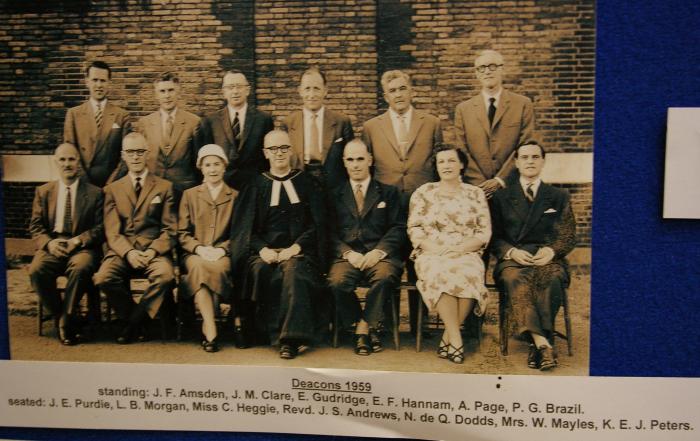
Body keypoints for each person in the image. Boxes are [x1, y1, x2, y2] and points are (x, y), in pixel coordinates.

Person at [230, 130, 326, 359]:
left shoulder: (306, 183)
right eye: (273, 149)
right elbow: (246, 230)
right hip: (263, 253)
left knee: (292, 271)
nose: (279, 153)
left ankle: (290, 340)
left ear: (291, 151)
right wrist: (263, 250)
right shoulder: (254, 185)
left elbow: (317, 225)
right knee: (261, 270)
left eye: (284, 148)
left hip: (299, 252)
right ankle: (267, 331)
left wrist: (295, 248)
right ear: (265, 153)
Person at [362, 69, 443, 334]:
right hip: (388, 209)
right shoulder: (372, 127)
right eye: (392, 91)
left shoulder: (431, 122)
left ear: (411, 91)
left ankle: (421, 326)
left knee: (419, 265)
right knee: (390, 263)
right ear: (385, 96)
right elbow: (369, 172)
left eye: (402, 88)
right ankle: (388, 324)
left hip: (423, 207)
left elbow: (438, 165)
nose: (398, 94)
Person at [491, 142, 576, 371]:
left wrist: (551, 251)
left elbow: (568, 235)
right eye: (525, 157)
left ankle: (536, 343)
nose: (530, 161)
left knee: (551, 278)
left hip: (547, 257)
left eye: (535, 157)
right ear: (516, 163)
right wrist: (511, 251)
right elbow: (494, 237)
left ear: (543, 161)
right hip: (513, 259)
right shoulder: (501, 198)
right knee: (514, 279)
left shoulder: (558, 196)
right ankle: (543, 342)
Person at [407, 144, 491, 364]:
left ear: (461, 164)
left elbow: (484, 231)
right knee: (440, 271)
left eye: (451, 160)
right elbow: (414, 228)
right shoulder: (424, 192)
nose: (446, 165)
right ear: (436, 166)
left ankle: (450, 337)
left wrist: (461, 248)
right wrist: (434, 248)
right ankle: (456, 337)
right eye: (441, 161)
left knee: (469, 273)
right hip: (431, 251)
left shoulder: (475, 194)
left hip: (466, 250)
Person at [93, 132, 177, 344]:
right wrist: (129, 252)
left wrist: (152, 251)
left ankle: (132, 324)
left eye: (140, 151)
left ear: (147, 154)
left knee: (165, 276)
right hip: (123, 251)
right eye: (131, 152)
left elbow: (170, 229)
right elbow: (112, 232)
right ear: (123, 155)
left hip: (153, 252)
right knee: (103, 277)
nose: (136, 156)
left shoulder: (164, 187)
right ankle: (139, 319)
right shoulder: (112, 189)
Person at [327, 139, 405, 356]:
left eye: (360, 158)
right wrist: (347, 253)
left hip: (380, 256)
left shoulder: (388, 193)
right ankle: (365, 325)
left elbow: (398, 227)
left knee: (384, 277)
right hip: (348, 256)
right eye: (350, 159)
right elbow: (328, 232)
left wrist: (378, 252)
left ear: (370, 160)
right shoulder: (334, 194)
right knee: (336, 282)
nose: (356, 164)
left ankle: (362, 330)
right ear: (344, 162)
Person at [28, 143, 104, 345]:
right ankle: (62, 315)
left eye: (71, 159)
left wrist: (77, 241)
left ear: (78, 162)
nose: (67, 164)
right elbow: (35, 227)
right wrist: (49, 244)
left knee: (80, 268)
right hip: (53, 244)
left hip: (81, 247)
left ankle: (65, 322)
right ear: (55, 162)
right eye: (62, 159)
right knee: (36, 270)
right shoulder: (44, 192)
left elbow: (99, 228)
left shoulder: (95, 193)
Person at [178, 144, 238, 353]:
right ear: (200, 168)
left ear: (224, 167)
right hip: (195, 254)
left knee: (214, 268)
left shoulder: (235, 196)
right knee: (199, 267)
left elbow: (239, 233)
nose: (212, 169)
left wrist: (222, 250)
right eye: (207, 165)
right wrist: (199, 249)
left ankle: (208, 326)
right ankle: (211, 325)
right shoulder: (190, 195)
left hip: (223, 254)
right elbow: (182, 233)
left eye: (216, 164)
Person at [454, 49, 535, 197]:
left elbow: (525, 146)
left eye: (492, 66)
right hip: (476, 191)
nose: (487, 72)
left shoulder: (522, 104)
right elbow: (461, 150)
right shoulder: (463, 109)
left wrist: (500, 180)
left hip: (512, 189)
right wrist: (480, 185)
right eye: (481, 68)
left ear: (502, 69)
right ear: (477, 73)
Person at [200, 69, 274, 191]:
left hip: (255, 186)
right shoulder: (211, 121)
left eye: (239, 86)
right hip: (223, 187)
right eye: (230, 87)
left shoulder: (263, 119)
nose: (235, 91)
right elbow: (207, 158)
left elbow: (267, 159)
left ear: (248, 90)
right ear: (223, 92)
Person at [282, 67, 354, 190]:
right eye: (307, 89)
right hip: (299, 186)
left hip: (333, 188)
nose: (312, 95)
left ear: (325, 91)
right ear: (300, 91)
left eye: (316, 88)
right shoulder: (288, 123)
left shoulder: (342, 122)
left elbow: (352, 159)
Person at [135, 72, 201, 203]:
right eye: (162, 91)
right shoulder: (145, 123)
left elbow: (198, 163)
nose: (167, 95)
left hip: (184, 192)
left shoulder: (194, 122)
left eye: (171, 90)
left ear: (178, 92)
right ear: (156, 95)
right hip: (153, 191)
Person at [63, 60, 131, 187]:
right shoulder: (73, 114)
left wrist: (111, 184)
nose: (99, 85)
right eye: (95, 80)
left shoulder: (122, 116)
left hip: (111, 186)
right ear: (87, 82)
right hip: (82, 185)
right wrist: (86, 184)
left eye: (103, 80)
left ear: (109, 83)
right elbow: (70, 153)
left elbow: (126, 156)